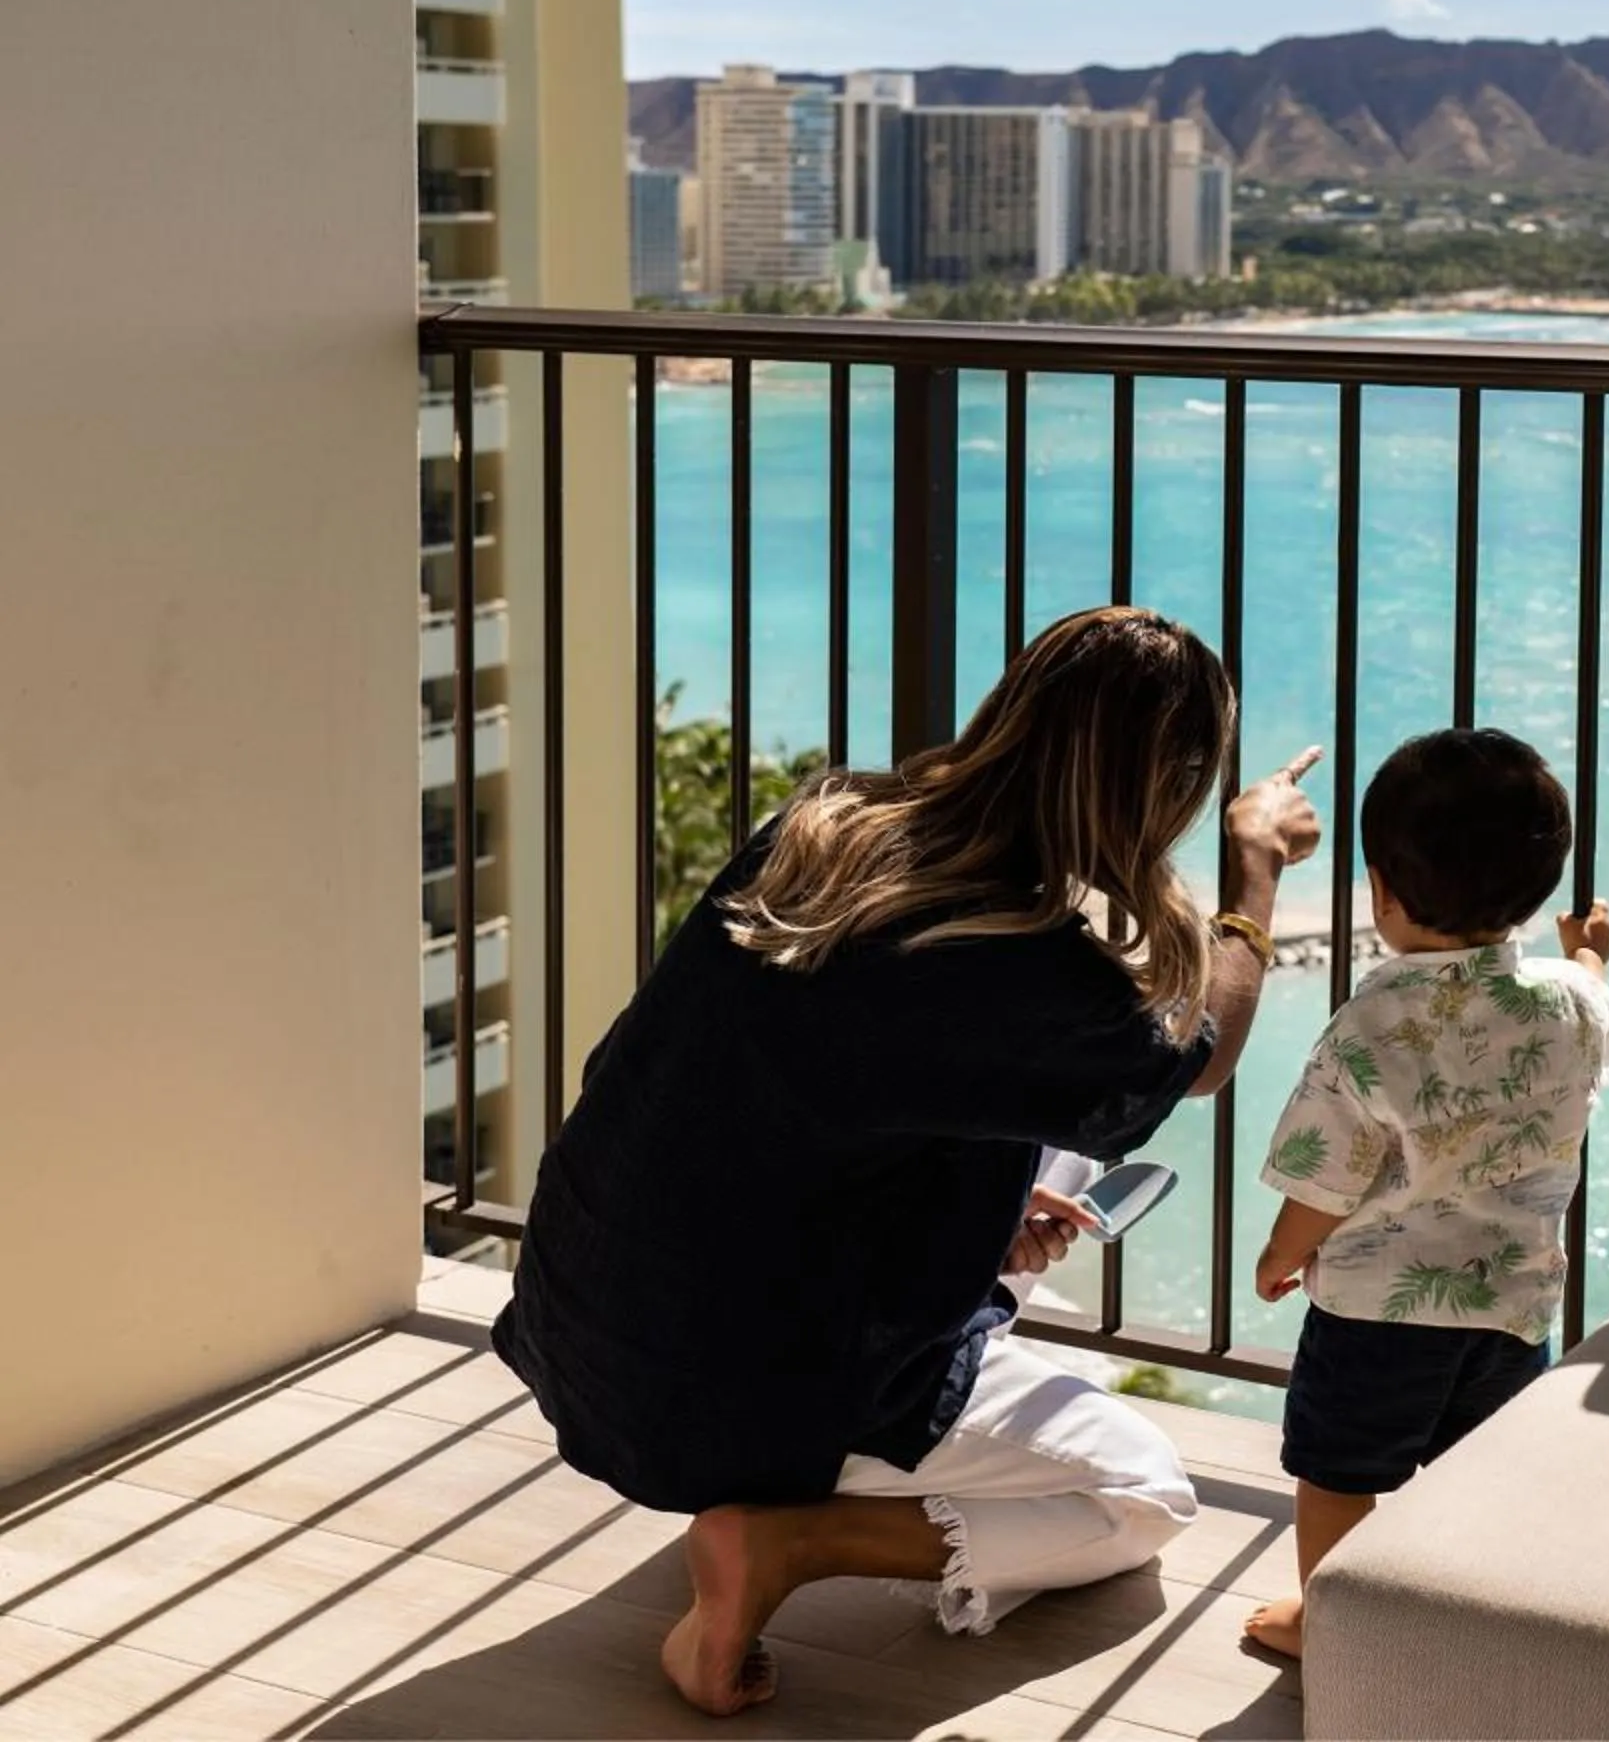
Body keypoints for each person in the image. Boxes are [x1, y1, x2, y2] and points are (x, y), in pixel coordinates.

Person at [489, 606, 1323, 1716]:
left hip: (584, 1316)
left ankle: (795, 1480)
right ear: (1157, 789)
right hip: (733, 1395)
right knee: (1142, 1494)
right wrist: (1253, 872)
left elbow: (821, 1081)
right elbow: (1196, 1059)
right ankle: (785, 1539)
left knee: (1049, 1168)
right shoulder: (1026, 970)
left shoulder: (828, 825)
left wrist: (978, 1200)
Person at [1239, 728, 1609, 1659]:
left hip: (1376, 1313)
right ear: (1535, 894)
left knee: (1338, 1474)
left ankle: (1325, 1628)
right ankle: (1465, 1632)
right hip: (1512, 1302)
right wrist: (1592, 956)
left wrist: (1278, 1256)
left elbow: (1325, 1176)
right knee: (1478, 1478)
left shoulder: (1370, 1027)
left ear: (1380, 888)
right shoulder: (1565, 1004)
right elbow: (1602, 1010)